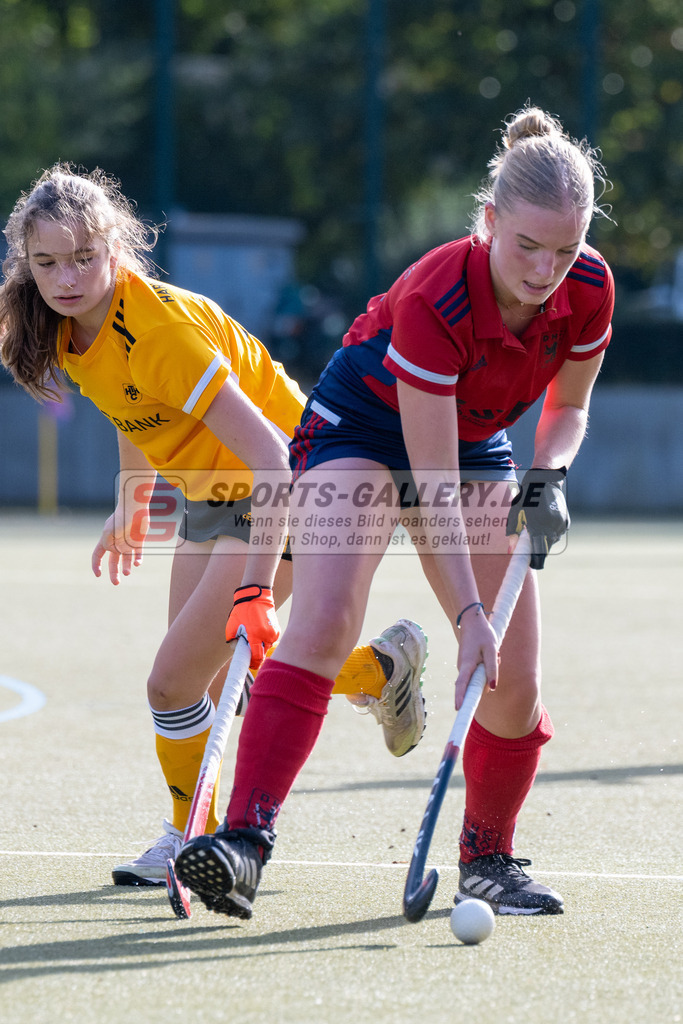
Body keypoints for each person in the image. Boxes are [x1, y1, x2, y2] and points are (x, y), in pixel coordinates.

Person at [173, 105, 615, 921]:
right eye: (525, 245)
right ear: (488, 221)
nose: (545, 268)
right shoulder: (439, 294)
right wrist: (468, 612)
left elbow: (566, 408)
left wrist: (548, 474)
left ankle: (488, 857)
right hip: (363, 428)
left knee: (512, 678)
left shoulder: (587, 287)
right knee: (327, 619)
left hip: (472, 437)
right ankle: (242, 845)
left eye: (563, 248)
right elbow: (430, 481)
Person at [0, 164, 428, 885]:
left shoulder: (159, 331)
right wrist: (131, 498)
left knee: (170, 685)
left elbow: (272, 457)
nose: (66, 277)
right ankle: (379, 669)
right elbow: (129, 408)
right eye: (46, 263)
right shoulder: (68, 325)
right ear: (26, 263)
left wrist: (254, 588)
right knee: (199, 687)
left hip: (294, 487)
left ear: (117, 249)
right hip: (211, 496)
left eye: (82, 258)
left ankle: (183, 837)